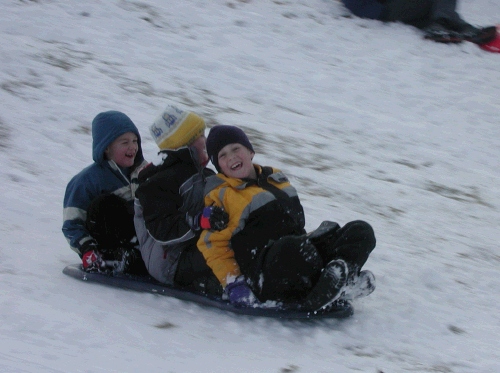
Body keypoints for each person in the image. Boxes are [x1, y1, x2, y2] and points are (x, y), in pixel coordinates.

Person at [198, 125, 377, 311]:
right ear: (219, 167)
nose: (232, 157)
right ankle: (322, 288)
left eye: (236, 149)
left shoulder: (274, 177)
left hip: (300, 253)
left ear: (250, 151)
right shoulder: (223, 196)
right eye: (223, 155)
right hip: (266, 273)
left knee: (360, 230)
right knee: (293, 249)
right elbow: (212, 245)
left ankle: (341, 281)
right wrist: (234, 284)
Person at [133, 105, 228, 296]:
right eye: (202, 136)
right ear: (188, 143)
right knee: (226, 253)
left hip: (193, 247)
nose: (207, 142)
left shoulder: (205, 175)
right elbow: (162, 229)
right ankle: (222, 285)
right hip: (169, 260)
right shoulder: (157, 181)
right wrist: (199, 220)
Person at [63, 111, 149, 274]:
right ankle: (116, 259)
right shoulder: (87, 181)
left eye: (135, 141)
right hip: (110, 245)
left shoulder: (143, 171)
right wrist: (87, 249)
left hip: (145, 243)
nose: (132, 147)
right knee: (105, 205)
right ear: (106, 147)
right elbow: (72, 223)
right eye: (125, 142)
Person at [340, 0, 496, 44]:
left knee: (429, 8)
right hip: (382, 9)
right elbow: (355, 4)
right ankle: (448, 24)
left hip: (391, 8)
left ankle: (441, 26)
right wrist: (379, 12)